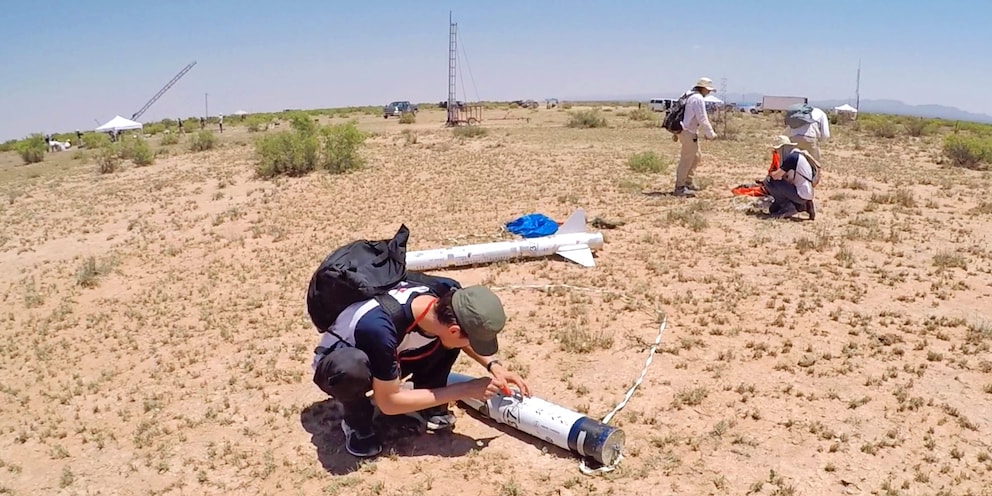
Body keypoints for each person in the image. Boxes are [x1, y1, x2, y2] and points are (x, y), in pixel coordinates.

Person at [310, 280, 531, 458]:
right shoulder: (379, 328)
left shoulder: (446, 293)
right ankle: (356, 422)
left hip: (392, 349)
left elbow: (459, 336)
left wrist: (493, 365)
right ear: (455, 329)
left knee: (443, 341)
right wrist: (465, 389)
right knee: (352, 370)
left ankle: (427, 403)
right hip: (340, 363)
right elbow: (388, 403)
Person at [674, 77, 718, 197]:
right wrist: (710, 134)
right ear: (703, 88)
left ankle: (688, 182)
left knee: (696, 156)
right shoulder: (698, 98)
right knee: (686, 160)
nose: (709, 92)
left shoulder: (688, 95)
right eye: (708, 90)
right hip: (688, 132)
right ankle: (680, 187)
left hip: (685, 131)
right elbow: (702, 118)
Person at [764, 135, 817, 220]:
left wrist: (771, 173)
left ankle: (788, 207)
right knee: (773, 209)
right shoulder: (797, 155)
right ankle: (804, 205)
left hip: (800, 194)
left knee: (768, 181)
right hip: (806, 193)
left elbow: (776, 176)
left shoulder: (791, 158)